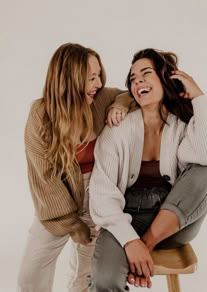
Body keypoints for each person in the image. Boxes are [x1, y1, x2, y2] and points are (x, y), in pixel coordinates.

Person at [89, 48, 207, 291]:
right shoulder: (117, 129)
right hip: (125, 220)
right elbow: (102, 194)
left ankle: (148, 243)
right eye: (133, 79)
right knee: (104, 281)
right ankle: (139, 245)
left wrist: (198, 97)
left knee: (206, 173)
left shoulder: (182, 127)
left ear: (165, 80)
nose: (138, 81)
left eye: (146, 73)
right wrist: (129, 240)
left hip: (174, 224)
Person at [17, 43, 133, 292]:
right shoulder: (41, 114)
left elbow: (128, 93)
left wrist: (120, 104)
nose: (99, 83)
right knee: (31, 274)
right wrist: (71, 223)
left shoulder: (100, 99)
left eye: (99, 76)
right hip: (57, 200)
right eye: (91, 78)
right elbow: (44, 176)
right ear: (70, 79)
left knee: (84, 274)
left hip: (97, 194)